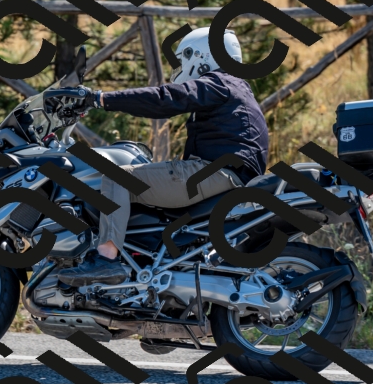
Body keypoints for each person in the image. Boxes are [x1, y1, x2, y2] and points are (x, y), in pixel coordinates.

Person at [55, 27, 269, 287]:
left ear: (202, 56)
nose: (181, 66)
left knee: (117, 178)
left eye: (184, 58)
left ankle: (106, 259)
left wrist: (99, 99)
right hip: (227, 174)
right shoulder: (236, 87)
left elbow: (164, 99)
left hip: (218, 172)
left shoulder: (219, 83)